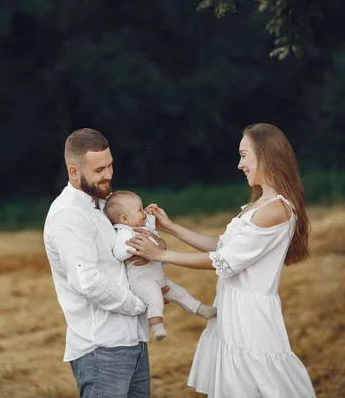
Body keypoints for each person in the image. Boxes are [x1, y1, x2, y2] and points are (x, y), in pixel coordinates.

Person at [127, 123, 316, 398]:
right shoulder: (260, 204)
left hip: (250, 317)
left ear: (266, 155)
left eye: (244, 155)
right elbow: (222, 245)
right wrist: (173, 228)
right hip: (233, 309)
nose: (240, 165)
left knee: (261, 386)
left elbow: (223, 262)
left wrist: (161, 255)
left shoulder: (276, 209)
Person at [43, 128, 166, 398]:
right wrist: (140, 304)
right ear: (74, 172)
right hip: (101, 348)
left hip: (133, 341)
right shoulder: (69, 215)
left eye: (110, 165)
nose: (109, 174)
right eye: (99, 170)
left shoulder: (104, 206)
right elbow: (87, 280)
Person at [105, 190, 216, 341]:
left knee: (179, 293)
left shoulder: (141, 228)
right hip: (142, 279)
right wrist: (133, 250)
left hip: (158, 277)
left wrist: (152, 213)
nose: (143, 212)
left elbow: (155, 235)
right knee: (155, 299)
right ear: (124, 219)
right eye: (140, 210)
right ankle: (157, 327)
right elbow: (118, 252)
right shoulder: (125, 233)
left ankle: (201, 310)